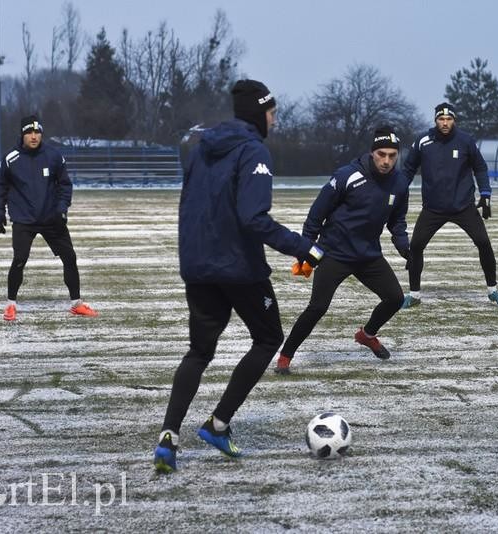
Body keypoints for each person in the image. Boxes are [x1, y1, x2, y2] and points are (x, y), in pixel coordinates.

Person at [153, 79, 324, 472]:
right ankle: (217, 424)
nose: (275, 122)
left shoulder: (198, 150)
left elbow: (188, 208)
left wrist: (192, 262)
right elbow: (254, 219)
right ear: (258, 115)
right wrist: (305, 248)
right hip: (238, 269)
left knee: (199, 352)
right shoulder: (253, 152)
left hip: (198, 267)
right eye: (272, 113)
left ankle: (168, 438)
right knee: (269, 338)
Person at [274, 126, 409, 376]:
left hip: (368, 256)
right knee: (317, 307)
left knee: (395, 299)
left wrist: (406, 249)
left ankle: (367, 335)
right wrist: (306, 250)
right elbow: (316, 215)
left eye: (392, 155)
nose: (387, 160)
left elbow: (397, 222)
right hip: (334, 253)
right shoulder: (347, 176)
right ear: (372, 153)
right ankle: (285, 355)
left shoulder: (400, 183)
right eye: (382, 154)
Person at [400, 103, 498, 309]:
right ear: (435, 120)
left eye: (449, 119)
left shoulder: (466, 141)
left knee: (483, 243)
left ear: (454, 121)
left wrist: (485, 194)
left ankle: (493, 291)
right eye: (441, 119)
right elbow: (408, 169)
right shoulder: (423, 141)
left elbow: (480, 167)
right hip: (433, 207)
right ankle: (414, 294)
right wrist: (396, 191)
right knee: (415, 246)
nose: (445, 123)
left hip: (463, 206)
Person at [0, 115, 98, 321]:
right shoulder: (10, 159)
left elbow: (65, 185)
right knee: (19, 260)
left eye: (37, 132)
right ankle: (10, 305)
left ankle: (76, 304)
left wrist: (62, 209)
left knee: (70, 258)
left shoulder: (54, 156)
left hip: (51, 219)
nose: (33, 136)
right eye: (29, 132)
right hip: (24, 220)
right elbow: (0, 188)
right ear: (22, 134)